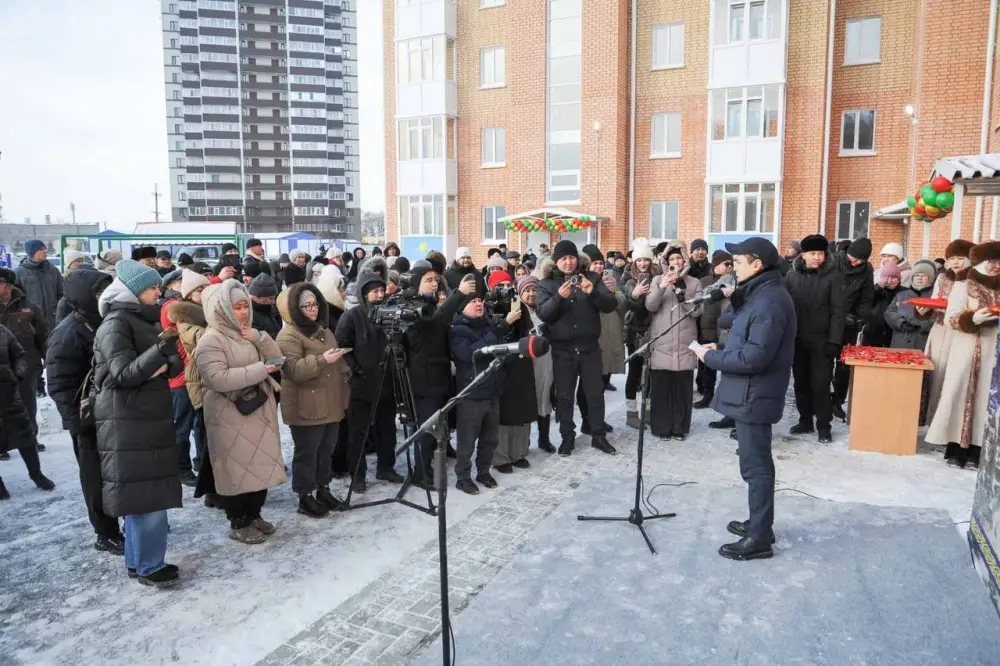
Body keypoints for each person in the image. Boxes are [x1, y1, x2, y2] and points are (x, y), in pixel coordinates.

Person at [693, 237, 795, 561]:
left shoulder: (770, 301)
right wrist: (719, 350)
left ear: (757, 265)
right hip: (751, 393)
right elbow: (745, 343)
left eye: (737, 262)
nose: (732, 268)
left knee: (756, 467)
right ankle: (759, 524)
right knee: (754, 464)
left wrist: (708, 359)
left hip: (756, 394)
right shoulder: (759, 295)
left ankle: (760, 537)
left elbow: (754, 359)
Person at [93, 260, 183, 587]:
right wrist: (161, 352)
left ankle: (138, 562)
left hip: (144, 415)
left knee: (140, 497)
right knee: (148, 497)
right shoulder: (115, 323)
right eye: (152, 287)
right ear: (133, 290)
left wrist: (165, 357)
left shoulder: (139, 319)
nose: (158, 292)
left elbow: (168, 364)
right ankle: (150, 565)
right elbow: (124, 374)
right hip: (128, 420)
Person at [196, 279, 287, 543]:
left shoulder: (247, 333)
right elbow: (217, 378)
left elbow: (277, 359)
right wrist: (261, 370)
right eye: (236, 307)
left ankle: (255, 513)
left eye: (245, 306)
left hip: (258, 411)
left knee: (259, 466)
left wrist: (260, 337)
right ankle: (238, 520)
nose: (244, 312)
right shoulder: (210, 340)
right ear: (221, 308)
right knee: (236, 470)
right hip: (230, 416)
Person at [46, 265, 121, 552]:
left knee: (115, 473)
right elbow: (59, 384)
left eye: (106, 289)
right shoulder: (67, 332)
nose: (104, 295)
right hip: (87, 419)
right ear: (82, 296)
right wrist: (77, 423)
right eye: (98, 291)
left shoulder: (105, 320)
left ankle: (123, 519)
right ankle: (105, 531)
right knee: (95, 476)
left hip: (111, 412)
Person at [535, 240, 618, 456]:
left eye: (571, 257)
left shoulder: (591, 277)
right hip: (562, 350)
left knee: (595, 394)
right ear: (556, 261)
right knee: (564, 397)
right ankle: (567, 437)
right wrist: (558, 298)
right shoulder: (546, 284)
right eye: (563, 258)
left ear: (577, 259)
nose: (568, 262)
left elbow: (610, 306)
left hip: (589, 347)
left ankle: (598, 436)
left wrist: (593, 293)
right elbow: (543, 313)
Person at [276, 283, 349, 518]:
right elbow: (294, 370)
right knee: (307, 453)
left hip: (330, 401)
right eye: (306, 305)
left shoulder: (323, 330)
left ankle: (323, 489)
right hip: (306, 406)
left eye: (315, 304)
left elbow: (334, 360)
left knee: (325, 451)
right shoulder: (288, 335)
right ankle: (304, 496)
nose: (312, 309)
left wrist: (344, 368)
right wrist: (322, 361)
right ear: (295, 309)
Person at [925, 241, 1000, 469]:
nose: (996, 266)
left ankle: (979, 449)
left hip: (993, 352)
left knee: (985, 400)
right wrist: (972, 319)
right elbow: (950, 318)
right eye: (993, 262)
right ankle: (956, 448)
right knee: (959, 396)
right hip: (965, 348)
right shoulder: (965, 285)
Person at [335, 257, 404, 493]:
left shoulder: (389, 314)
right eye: (374, 291)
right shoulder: (351, 317)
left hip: (386, 383)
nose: (378, 294)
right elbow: (342, 348)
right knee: (359, 433)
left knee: (387, 430)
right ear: (364, 293)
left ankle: (386, 466)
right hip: (361, 385)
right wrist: (356, 370)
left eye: (381, 290)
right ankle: (358, 474)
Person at [403, 260, 474, 487]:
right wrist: (457, 295)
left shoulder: (433, 303)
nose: (434, 284)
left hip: (439, 373)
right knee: (425, 428)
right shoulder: (412, 305)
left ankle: (431, 463)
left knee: (438, 424)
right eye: (428, 280)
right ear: (416, 284)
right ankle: (420, 472)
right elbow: (434, 324)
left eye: (436, 280)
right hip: (423, 378)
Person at [784, 234, 846, 443]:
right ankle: (805, 420)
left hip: (822, 341)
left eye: (820, 253)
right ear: (803, 255)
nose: (817, 257)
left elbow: (838, 311)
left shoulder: (833, 276)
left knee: (820, 384)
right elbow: (785, 307)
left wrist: (834, 341)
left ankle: (823, 425)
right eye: (813, 253)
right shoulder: (792, 276)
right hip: (797, 339)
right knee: (800, 381)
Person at [450, 294, 510, 494]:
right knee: (467, 439)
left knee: (490, 438)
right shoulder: (458, 330)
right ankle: (463, 476)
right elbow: (469, 355)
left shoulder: (487, 324)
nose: (478, 304)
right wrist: (495, 334)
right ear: (462, 308)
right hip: (471, 392)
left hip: (492, 389)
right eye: (472, 302)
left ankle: (483, 471)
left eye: (479, 301)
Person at [166, 269, 214, 507]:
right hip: (190, 381)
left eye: (206, 288)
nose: (204, 292)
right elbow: (202, 337)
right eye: (199, 289)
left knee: (206, 433)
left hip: (207, 379)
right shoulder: (185, 317)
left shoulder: (207, 311)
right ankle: (186, 469)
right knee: (188, 428)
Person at [645, 242, 702, 440]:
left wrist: (681, 292)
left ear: (685, 260)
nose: (676, 262)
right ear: (665, 262)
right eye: (671, 259)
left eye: (679, 258)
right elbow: (650, 306)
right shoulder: (657, 279)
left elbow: (697, 311)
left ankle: (679, 427)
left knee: (682, 389)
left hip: (685, 342)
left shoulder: (694, 283)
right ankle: (661, 427)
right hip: (662, 341)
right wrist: (661, 287)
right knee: (661, 388)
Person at [0, 319, 56, 494]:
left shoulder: (2, 331)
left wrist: (18, 374)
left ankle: (36, 474)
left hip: (9, 396)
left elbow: (19, 354)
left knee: (26, 437)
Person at [921, 240, 974, 422]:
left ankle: (953, 421)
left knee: (957, 376)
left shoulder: (975, 280)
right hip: (940, 329)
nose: (956, 262)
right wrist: (924, 310)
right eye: (951, 259)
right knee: (937, 373)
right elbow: (934, 301)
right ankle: (932, 418)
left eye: (961, 258)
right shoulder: (943, 278)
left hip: (965, 332)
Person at [0, 268, 48, 458]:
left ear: (9, 286)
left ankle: (29, 439)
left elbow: (42, 335)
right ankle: (2, 445)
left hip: (27, 364)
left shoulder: (29, 307)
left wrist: (47, 358)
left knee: (28, 404)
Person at [830, 238, 875, 421]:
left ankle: (838, 401)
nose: (855, 262)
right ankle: (822, 400)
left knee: (844, 365)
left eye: (860, 260)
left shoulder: (866, 270)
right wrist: (839, 315)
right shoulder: (833, 261)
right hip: (829, 320)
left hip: (849, 324)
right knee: (824, 363)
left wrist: (859, 318)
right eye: (853, 258)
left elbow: (866, 298)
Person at [15, 239, 62, 398]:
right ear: (31, 252)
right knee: (34, 356)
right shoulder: (19, 272)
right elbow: (17, 298)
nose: (45, 251)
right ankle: (38, 384)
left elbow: (62, 294)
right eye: (41, 249)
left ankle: (56, 382)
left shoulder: (53, 271)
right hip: (30, 321)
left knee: (54, 354)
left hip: (53, 319)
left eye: (45, 248)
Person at [620, 238, 659, 429]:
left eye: (646, 260)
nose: (643, 264)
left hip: (655, 330)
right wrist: (635, 294)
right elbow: (632, 305)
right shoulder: (628, 279)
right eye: (639, 260)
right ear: (634, 262)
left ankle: (649, 411)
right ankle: (631, 413)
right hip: (635, 331)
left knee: (651, 372)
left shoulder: (657, 276)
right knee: (634, 373)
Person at [695, 250, 738, 410]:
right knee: (706, 365)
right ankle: (707, 395)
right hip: (707, 328)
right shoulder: (705, 281)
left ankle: (726, 400)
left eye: (731, 264)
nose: (729, 267)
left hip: (725, 331)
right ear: (716, 265)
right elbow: (699, 301)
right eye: (725, 264)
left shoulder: (735, 280)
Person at [581, 245, 627, 394]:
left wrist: (613, 291)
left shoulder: (608, 280)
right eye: (595, 263)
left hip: (611, 328)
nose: (599, 266)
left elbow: (622, 303)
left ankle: (605, 382)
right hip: (593, 330)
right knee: (594, 369)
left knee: (609, 359)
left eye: (601, 263)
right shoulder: (582, 281)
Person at [518, 274, 555, 453]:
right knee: (526, 400)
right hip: (527, 363)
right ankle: (523, 444)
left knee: (544, 398)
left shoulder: (542, 309)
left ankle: (544, 438)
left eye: (534, 290)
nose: (531, 294)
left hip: (545, 361)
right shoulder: (517, 311)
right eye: (527, 290)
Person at [885, 260, 937, 350]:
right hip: (900, 343)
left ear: (931, 279)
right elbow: (889, 313)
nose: (919, 278)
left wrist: (923, 324)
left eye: (924, 276)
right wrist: (901, 323)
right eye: (916, 275)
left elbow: (937, 319)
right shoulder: (901, 295)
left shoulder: (934, 298)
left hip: (922, 344)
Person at [860, 262, 903, 348]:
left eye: (893, 277)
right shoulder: (875, 291)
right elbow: (863, 302)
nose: (889, 281)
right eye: (886, 277)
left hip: (893, 338)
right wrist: (877, 288)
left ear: (899, 279)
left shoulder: (904, 293)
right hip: (872, 337)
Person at [248, 274, 282, 340]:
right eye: (270, 298)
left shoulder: (269, 307)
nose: (273, 302)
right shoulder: (248, 315)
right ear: (258, 296)